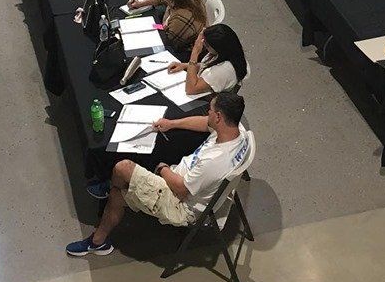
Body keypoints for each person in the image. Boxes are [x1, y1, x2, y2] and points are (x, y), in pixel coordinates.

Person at [65, 91, 250, 257]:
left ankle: (110, 199)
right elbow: (205, 124)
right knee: (119, 191)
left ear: (218, 117)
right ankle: (99, 238)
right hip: (189, 181)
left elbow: (181, 189)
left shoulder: (214, 162)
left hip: (180, 203)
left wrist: (162, 168)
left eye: (210, 110)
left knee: (123, 168)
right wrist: (172, 123)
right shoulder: (237, 130)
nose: (206, 113)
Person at [127, 0, 206, 56]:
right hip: (171, 27)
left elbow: (168, 43)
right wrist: (141, 3)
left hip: (183, 48)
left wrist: (151, 27)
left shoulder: (180, 19)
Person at [168, 24, 249, 95]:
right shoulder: (229, 53)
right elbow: (206, 66)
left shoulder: (224, 70)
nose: (204, 47)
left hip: (208, 101)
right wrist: (185, 65)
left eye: (207, 45)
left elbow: (191, 89)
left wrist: (195, 53)